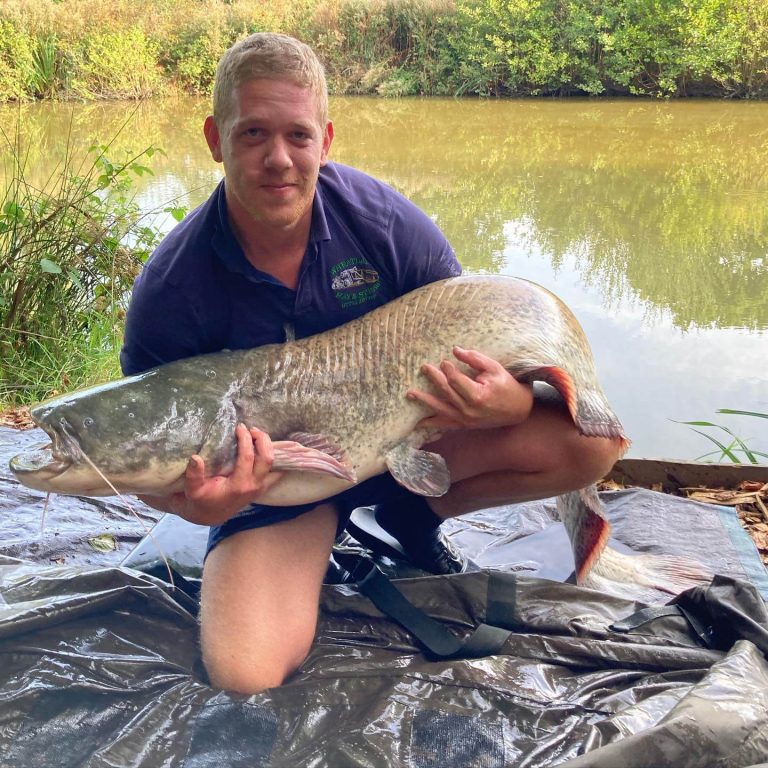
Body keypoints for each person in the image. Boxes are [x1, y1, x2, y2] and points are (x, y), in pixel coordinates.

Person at [120, 32, 622, 695]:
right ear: (216, 139)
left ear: (326, 140)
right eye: (253, 136)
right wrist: (196, 508)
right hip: (276, 490)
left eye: (298, 137)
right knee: (245, 672)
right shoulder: (171, 289)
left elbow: (479, 334)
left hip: (401, 449)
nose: (278, 159)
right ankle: (311, 537)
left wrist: (511, 401)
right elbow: (143, 449)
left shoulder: (385, 225)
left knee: (590, 445)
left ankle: (410, 517)